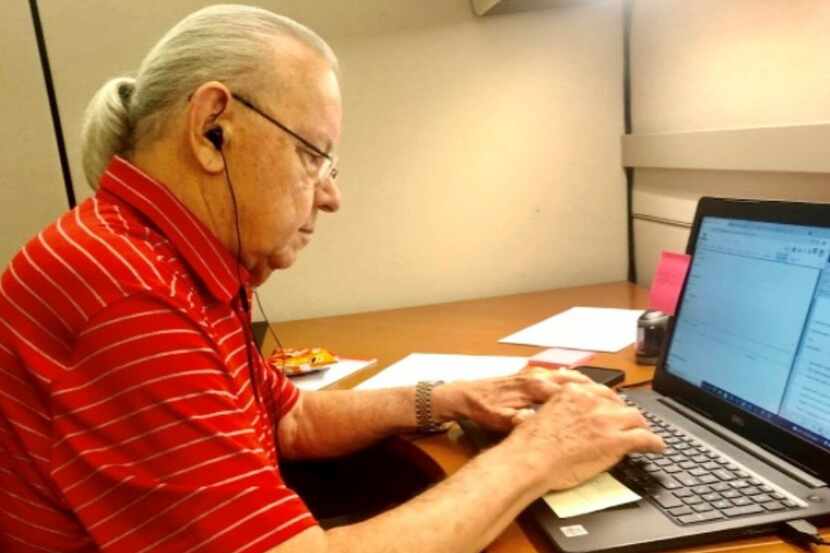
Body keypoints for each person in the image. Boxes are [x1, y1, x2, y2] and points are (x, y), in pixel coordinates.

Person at [0, 5, 663, 552]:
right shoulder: (129, 297)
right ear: (212, 129)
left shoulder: (159, 254)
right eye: (313, 154)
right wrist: (540, 453)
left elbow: (292, 418)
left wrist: (458, 395)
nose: (330, 196)